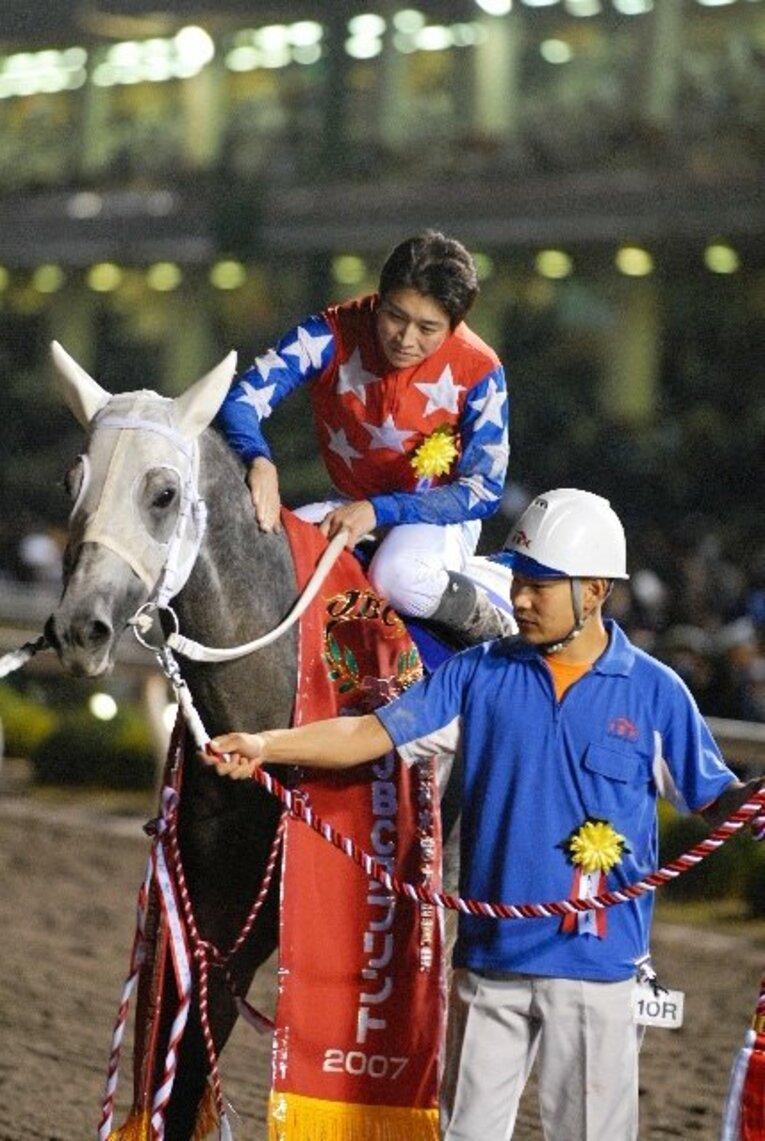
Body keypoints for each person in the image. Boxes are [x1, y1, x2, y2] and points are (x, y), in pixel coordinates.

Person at [202, 487, 763, 1140]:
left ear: (594, 591)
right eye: (519, 581)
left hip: (601, 974)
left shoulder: (657, 694)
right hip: (488, 966)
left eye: (539, 586)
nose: (518, 599)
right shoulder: (476, 674)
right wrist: (265, 745)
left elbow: (714, 798)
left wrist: (750, 801)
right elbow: (367, 735)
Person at [217, 230, 511, 645]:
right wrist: (257, 458)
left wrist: (379, 510)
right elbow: (241, 401)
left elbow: (485, 489)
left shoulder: (481, 368)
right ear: (379, 297)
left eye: (428, 327)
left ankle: (493, 626)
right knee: (265, 562)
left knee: (397, 577)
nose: (405, 339)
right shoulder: (329, 332)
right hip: (348, 502)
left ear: (454, 325)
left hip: (436, 516)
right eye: (395, 316)